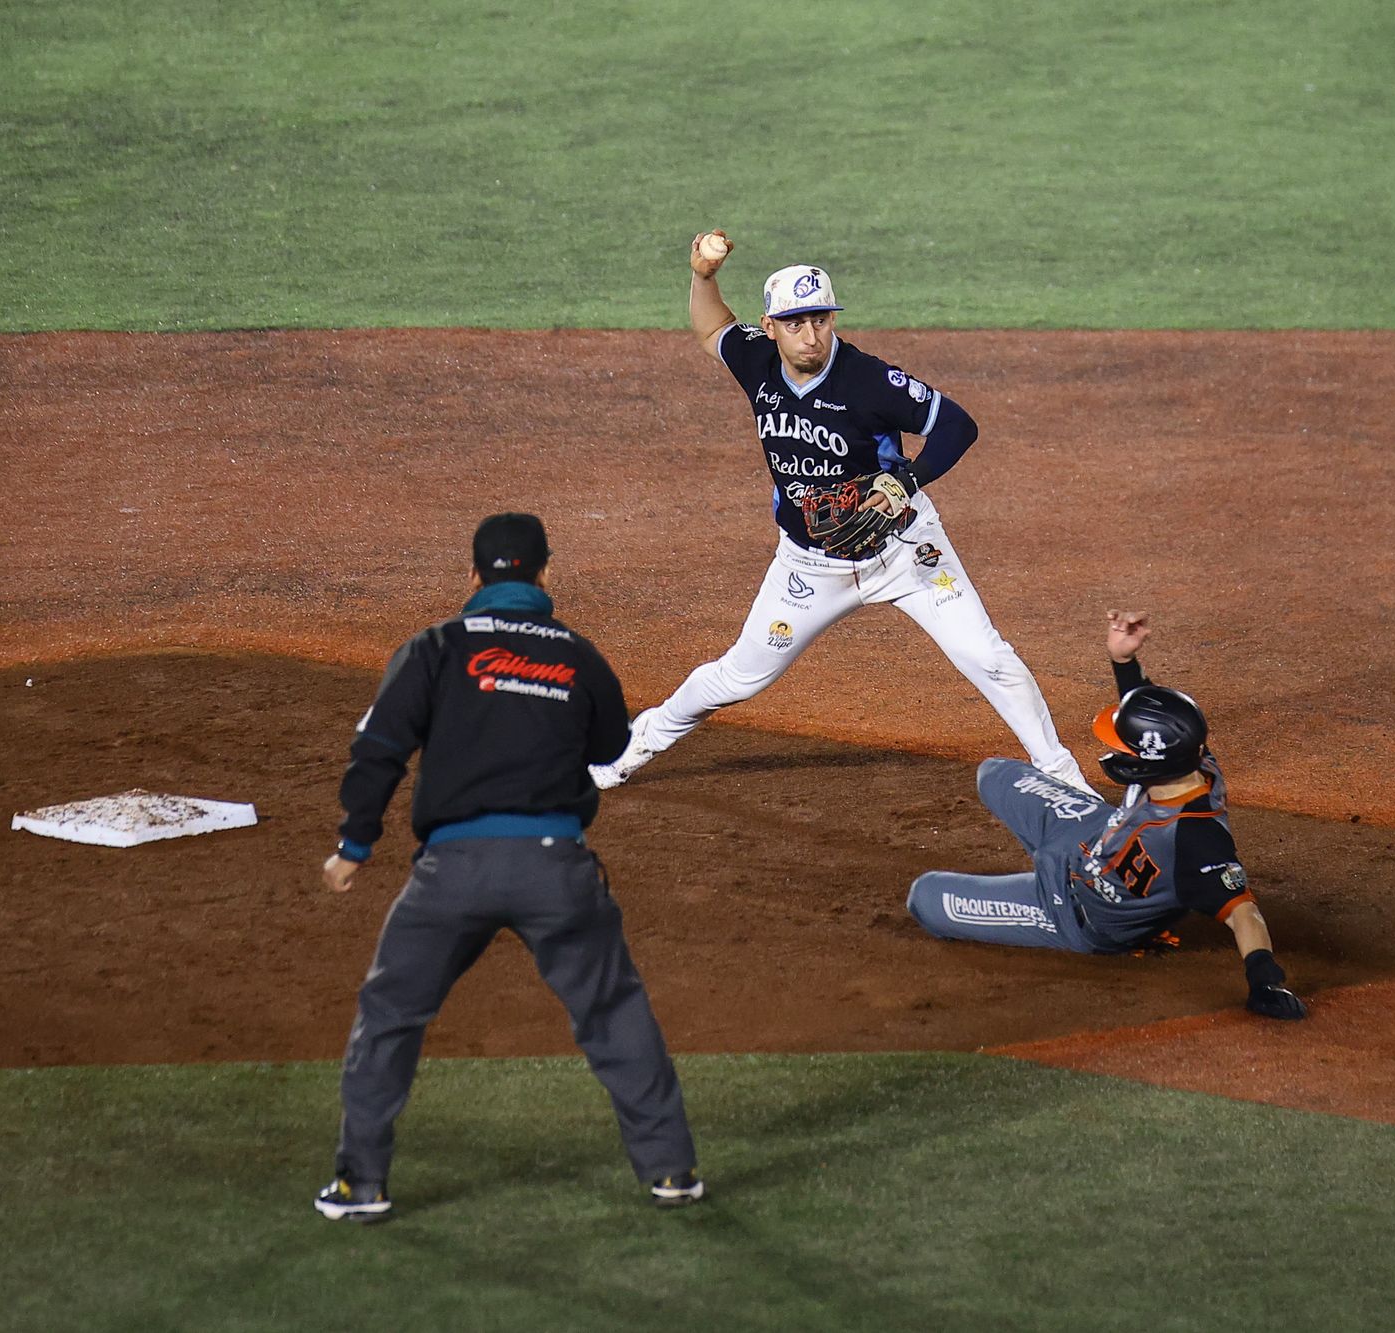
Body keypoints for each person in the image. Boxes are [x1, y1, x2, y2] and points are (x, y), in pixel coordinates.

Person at [589, 230, 1094, 795]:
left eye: (822, 320)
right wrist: (703, 276)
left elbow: (957, 424)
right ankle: (637, 743)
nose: (812, 335)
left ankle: (1064, 777)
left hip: (906, 553)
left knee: (989, 659)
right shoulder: (757, 362)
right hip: (809, 567)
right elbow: (711, 329)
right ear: (771, 326)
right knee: (738, 678)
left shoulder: (868, 380)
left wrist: (905, 481)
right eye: (797, 323)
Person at [313, 513, 704, 1221]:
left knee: (391, 1015)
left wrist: (354, 848)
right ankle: (671, 1170)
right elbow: (612, 743)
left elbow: (378, 751)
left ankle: (360, 1184)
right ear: (545, 574)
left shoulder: (434, 647)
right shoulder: (578, 654)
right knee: (614, 1012)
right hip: (557, 869)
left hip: (450, 875)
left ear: (473, 577)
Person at [904, 609, 1307, 1021]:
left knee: (925, 896)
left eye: (1123, 746)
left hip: (1071, 911)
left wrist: (1265, 981)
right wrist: (1124, 662)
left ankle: (1042, 906)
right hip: (1088, 830)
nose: (1116, 750)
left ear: (1150, 762)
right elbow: (1152, 722)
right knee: (994, 773)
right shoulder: (1193, 761)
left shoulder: (1196, 840)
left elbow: (1244, 912)